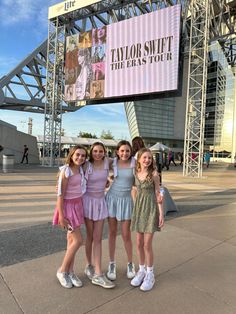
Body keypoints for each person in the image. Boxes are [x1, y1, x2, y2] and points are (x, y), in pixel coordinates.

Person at [52, 145, 87, 289]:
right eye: (77, 154)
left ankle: (71, 272)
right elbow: (60, 195)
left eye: (83, 156)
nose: (80, 157)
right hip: (68, 208)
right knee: (79, 240)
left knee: (71, 241)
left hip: (78, 205)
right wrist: (61, 215)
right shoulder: (65, 171)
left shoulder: (81, 169)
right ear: (71, 155)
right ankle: (62, 270)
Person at [131, 148, 164, 291]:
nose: (147, 160)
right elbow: (134, 189)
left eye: (149, 158)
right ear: (139, 159)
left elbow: (158, 194)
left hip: (151, 210)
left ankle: (150, 274)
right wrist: (135, 204)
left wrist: (161, 214)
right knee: (138, 243)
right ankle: (141, 270)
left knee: (147, 244)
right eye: (144, 157)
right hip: (139, 210)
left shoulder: (155, 175)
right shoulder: (136, 173)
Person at [83, 142, 115, 289]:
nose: (97, 153)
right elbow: (73, 172)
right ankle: (89, 265)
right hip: (88, 202)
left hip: (101, 202)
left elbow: (125, 161)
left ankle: (98, 273)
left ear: (104, 152)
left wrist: (109, 181)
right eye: (95, 151)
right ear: (91, 152)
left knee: (98, 239)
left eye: (100, 151)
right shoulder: (86, 164)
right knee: (89, 237)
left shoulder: (108, 162)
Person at [106, 140, 136, 281]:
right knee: (112, 233)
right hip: (112, 199)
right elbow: (93, 164)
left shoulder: (134, 163)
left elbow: (146, 172)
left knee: (126, 234)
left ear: (131, 152)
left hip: (126, 201)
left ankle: (130, 263)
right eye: (122, 151)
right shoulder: (112, 162)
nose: (124, 153)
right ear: (117, 151)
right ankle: (112, 263)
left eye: (127, 151)